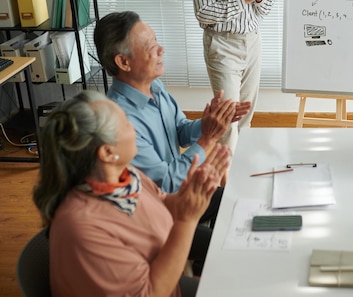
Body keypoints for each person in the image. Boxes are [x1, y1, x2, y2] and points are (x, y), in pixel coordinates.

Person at [94, 11, 250, 273]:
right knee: (225, 240)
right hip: (160, 210)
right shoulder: (119, 121)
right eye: (151, 47)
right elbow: (167, 183)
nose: (161, 50)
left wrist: (209, 121)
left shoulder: (155, 86)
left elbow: (179, 130)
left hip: (181, 192)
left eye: (156, 41)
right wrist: (209, 137)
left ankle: (204, 263)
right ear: (123, 62)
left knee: (236, 205)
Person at [33, 91, 230, 297]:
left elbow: (161, 202)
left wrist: (192, 194)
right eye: (126, 123)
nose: (135, 128)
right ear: (107, 152)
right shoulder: (83, 227)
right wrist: (187, 219)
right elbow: (150, 293)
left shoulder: (125, 175)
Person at [192, 0, 279, 153]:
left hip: (252, 41)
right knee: (228, 115)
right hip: (222, 45)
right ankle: (224, 179)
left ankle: (241, 167)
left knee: (246, 112)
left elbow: (265, 8)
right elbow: (204, 13)